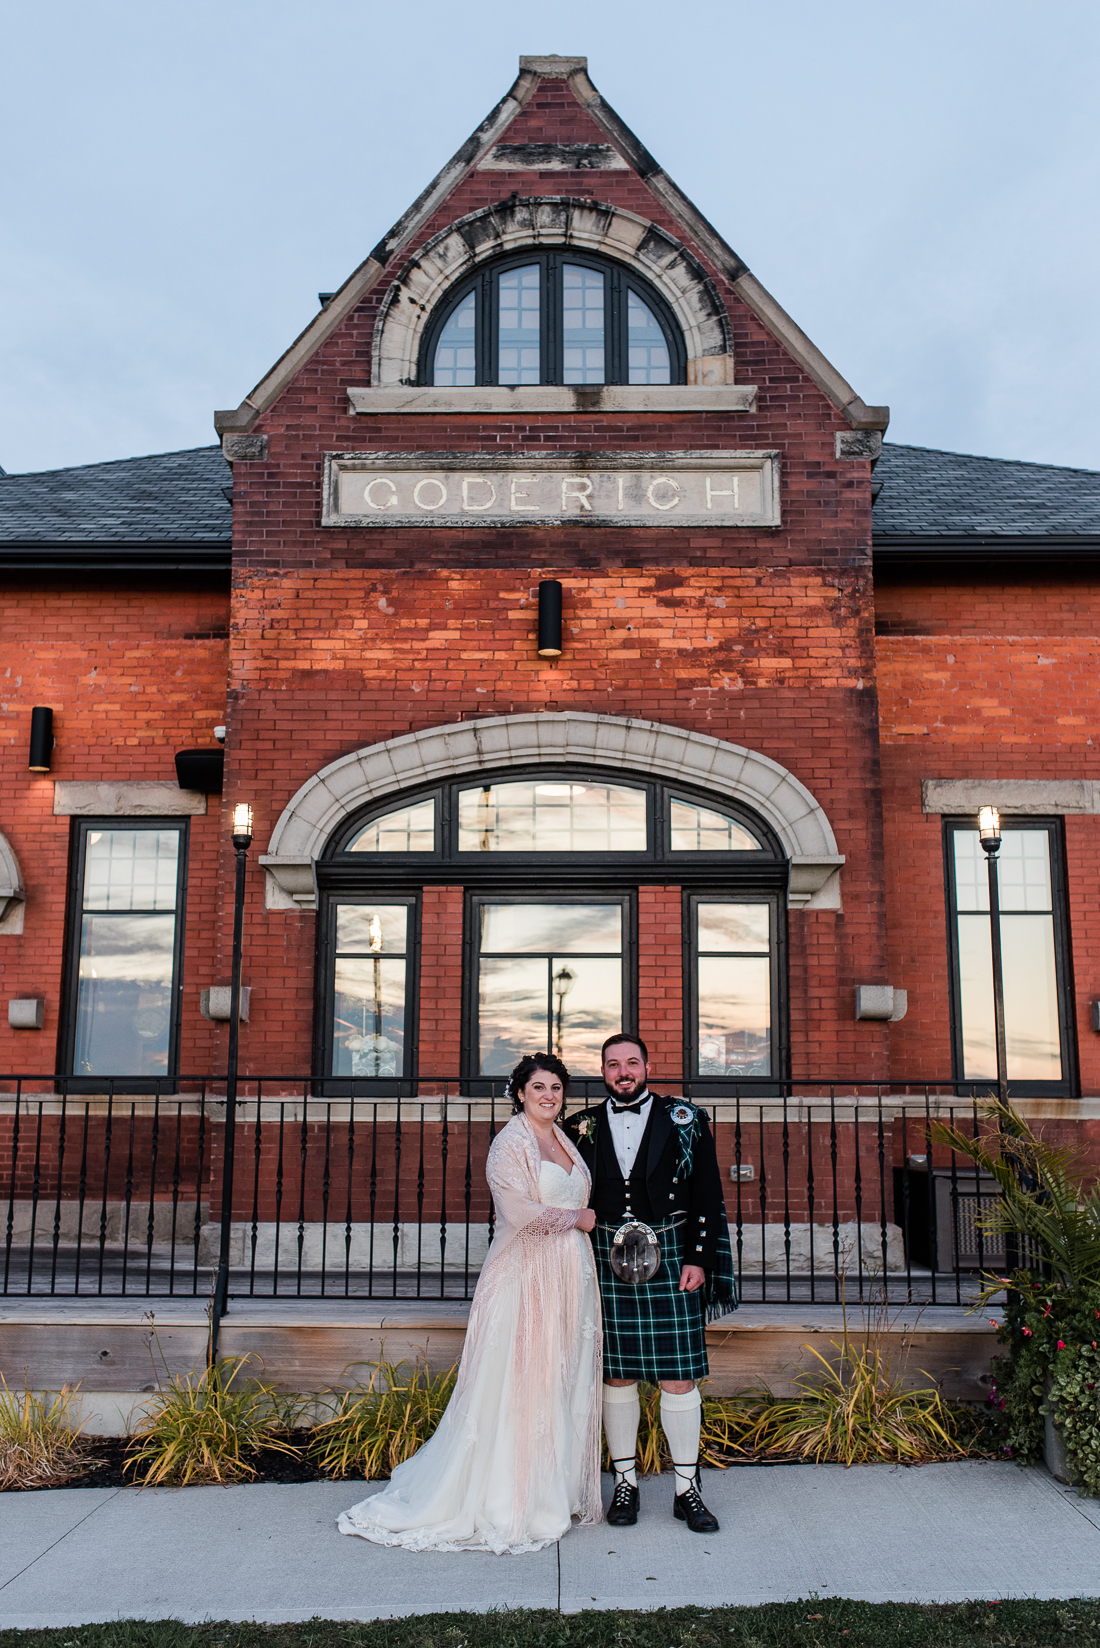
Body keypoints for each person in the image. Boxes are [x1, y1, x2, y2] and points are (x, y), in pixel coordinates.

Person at [337, 1052, 602, 1554]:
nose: (549, 1096)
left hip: (570, 1276)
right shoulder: (509, 1144)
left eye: (557, 1088)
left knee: (559, 1378)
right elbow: (519, 1211)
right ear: (520, 1093)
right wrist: (578, 1219)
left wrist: (579, 1225)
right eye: (539, 1087)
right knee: (521, 1382)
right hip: (525, 1278)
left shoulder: (564, 1138)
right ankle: (509, 1500)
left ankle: (552, 1492)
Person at [563, 1033, 737, 1534]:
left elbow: (707, 1192)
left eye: (632, 1062)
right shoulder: (581, 1126)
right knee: (615, 1375)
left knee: (677, 1377)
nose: (624, 1072)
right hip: (605, 1259)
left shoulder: (684, 1118)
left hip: (671, 1255)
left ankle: (687, 1489)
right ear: (603, 1072)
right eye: (613, 1064)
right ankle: (625, 1484)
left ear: (648, 1065)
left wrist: (700, 1259)